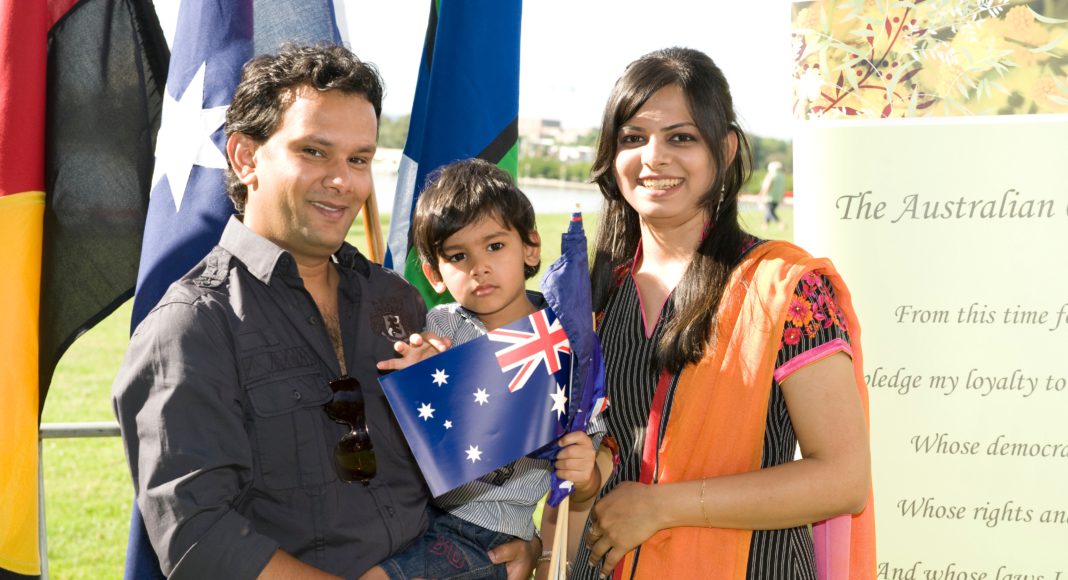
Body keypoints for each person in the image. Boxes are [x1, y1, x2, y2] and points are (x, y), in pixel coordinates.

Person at [112, 44, 537, 579]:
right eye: (315, 151)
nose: (344, 181)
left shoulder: (397, 301)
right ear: (246, 157)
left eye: (359, 159)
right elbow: (200, 537)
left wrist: (513, 538)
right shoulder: (191, 325)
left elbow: (452, 476)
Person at [571, 47, 876, 579]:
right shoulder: (594, 296)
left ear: (726, 148)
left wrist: (664, 505)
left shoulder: (785, 290)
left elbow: (843, 480)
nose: (654, 157)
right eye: (633, 137)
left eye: (681, 137)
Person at [365, 159, 603, 580]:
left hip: (488, 533)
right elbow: (409, 437)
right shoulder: (440, 329)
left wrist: (584, 479)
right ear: (434, 273)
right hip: (414, 512)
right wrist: (416, 379)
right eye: (458, 256)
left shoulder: (565, 341)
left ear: (530, 246)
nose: (479, 267)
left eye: (495, 246)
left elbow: (586, 461)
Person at [759, 161, 786, 230]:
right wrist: (782, 197)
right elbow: (783, 187)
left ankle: (780, 223)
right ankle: (765, 225)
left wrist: (762, 194)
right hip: (777, 197)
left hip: (769, 197)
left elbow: (767, 186)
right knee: (769, 211)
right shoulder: (782, 175)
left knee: (770, 212)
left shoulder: (771, 175)